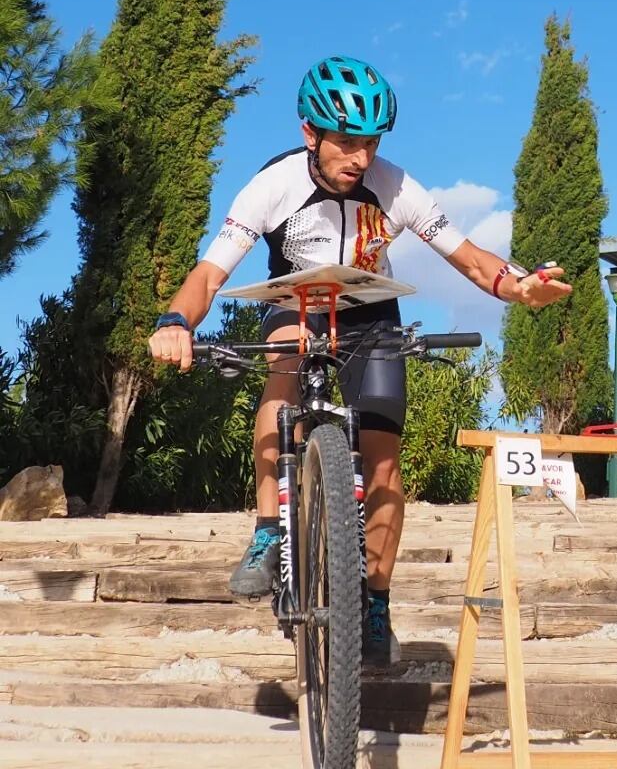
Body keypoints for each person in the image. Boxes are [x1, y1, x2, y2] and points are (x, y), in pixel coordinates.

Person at [148, 55, 571, 664]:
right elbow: (210, 274)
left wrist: (521, 286)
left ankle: (374, 602)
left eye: (370, 143)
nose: (360, 159)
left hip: (371, 315)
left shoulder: (396, 186)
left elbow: (474, 261)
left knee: (383, 466)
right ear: (309, 135)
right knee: (284, 358)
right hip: (296, 301)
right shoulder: (274, 185)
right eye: (346, 143)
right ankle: (269, 529)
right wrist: (174, 322)